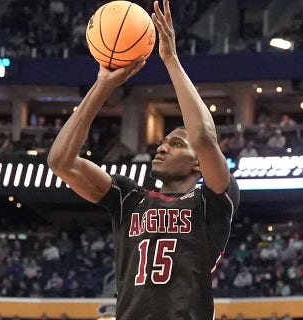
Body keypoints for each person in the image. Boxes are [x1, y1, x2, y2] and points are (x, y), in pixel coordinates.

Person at [47, 1, 240, 319]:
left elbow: (205, 137)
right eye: (162, 143)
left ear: (198, 164)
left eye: (176, 144)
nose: (162, 148)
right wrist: (103, 84)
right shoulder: (129, 198)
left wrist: (171, 60)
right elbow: (60, 161)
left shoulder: (214, 202)